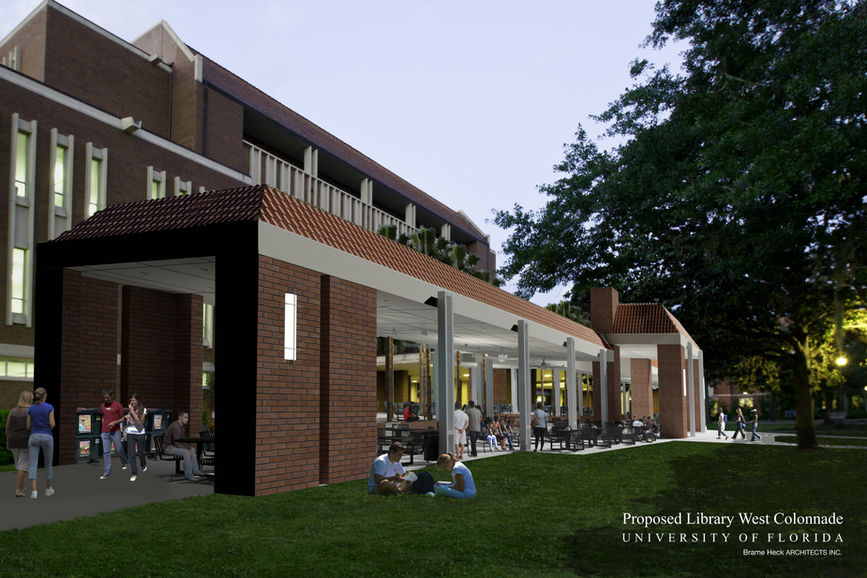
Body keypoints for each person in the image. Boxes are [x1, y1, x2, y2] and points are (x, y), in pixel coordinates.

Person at [26, 387, 55, 499]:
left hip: (33, 436)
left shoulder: (31, 409)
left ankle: (34, 491)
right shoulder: (49, 407)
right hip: (47, 436)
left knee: (33, 464)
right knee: (48, 463)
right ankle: (48, 489)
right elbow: (52, 424)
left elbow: (28, 426)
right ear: (45, 396)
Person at [97, 388, 128, 479]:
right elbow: (103, 417)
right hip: (105, 432)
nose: (105, 400)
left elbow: (123, 418)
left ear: (112, 396)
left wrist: (115, 422)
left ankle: (124, 461)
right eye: (104, 398)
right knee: (106, 452)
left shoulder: (118, 406)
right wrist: (101, 430)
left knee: (119, 449)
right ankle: (107, 472)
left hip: (115, 432)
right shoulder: (102, 406)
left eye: (107, 398)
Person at [6, 390, 32, 497]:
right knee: (23, 465)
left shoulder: (13, 411)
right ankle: (18, 490)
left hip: (13, 440)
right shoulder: (30, 411)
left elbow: (7, 426)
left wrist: (8, 439)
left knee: (19, 465)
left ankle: (21, 486)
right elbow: (29, 427)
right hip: (24, 441)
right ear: (29, 399)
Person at [163, 410, 203, 480]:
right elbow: (176, 442)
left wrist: (188, 447)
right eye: (185, 417)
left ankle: (196, 471)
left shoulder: (182, 427)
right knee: (186, 452)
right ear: (180, 417)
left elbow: (182, 441)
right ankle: (189, 475)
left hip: (175, 446)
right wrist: (187, 449)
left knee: (192, 449)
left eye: (187, 418)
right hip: (168, 447)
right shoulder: (175, 426)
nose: (187, 419)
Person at [124, 393, 148, 481]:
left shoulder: (143, 410)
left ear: (138, 401)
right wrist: (128, 417)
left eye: (133, 400)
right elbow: (130, 420)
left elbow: (139, 422)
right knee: (132, 454)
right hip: (130, 434)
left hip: (140, 434)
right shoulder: (131, 410)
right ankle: (134, 473)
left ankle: (143, 464)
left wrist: (132, 412)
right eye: (131, 400)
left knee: (140, 452)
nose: (131, 402)